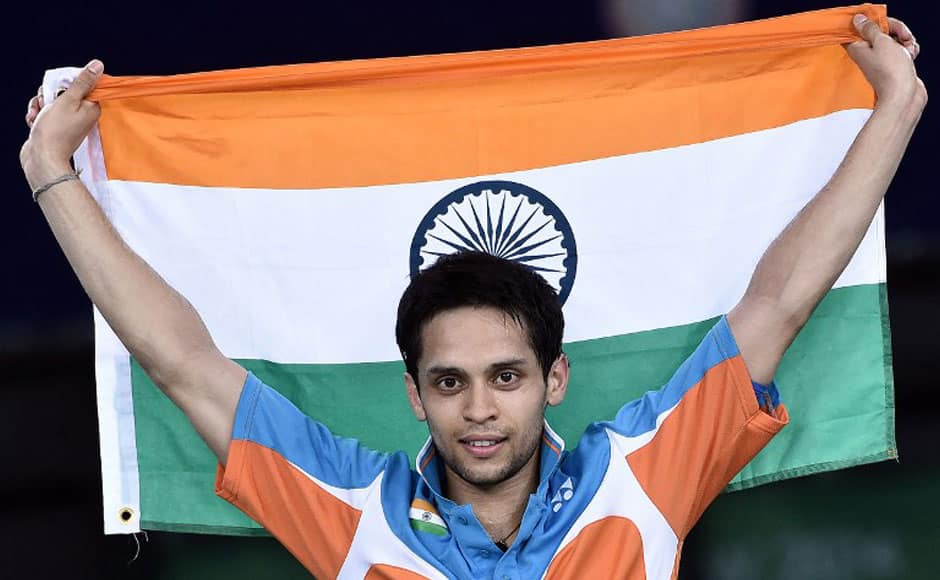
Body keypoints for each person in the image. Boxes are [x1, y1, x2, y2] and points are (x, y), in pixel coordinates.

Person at [20, 13, 924, 580]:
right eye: (450, 382)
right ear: (413, 393)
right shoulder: (349, 508)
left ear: (554, 378)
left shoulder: (646, 475)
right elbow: (182, 362)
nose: (480, 409)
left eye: (505, 375)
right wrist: (51, 174)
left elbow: (778, 304)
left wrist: (895, 113)